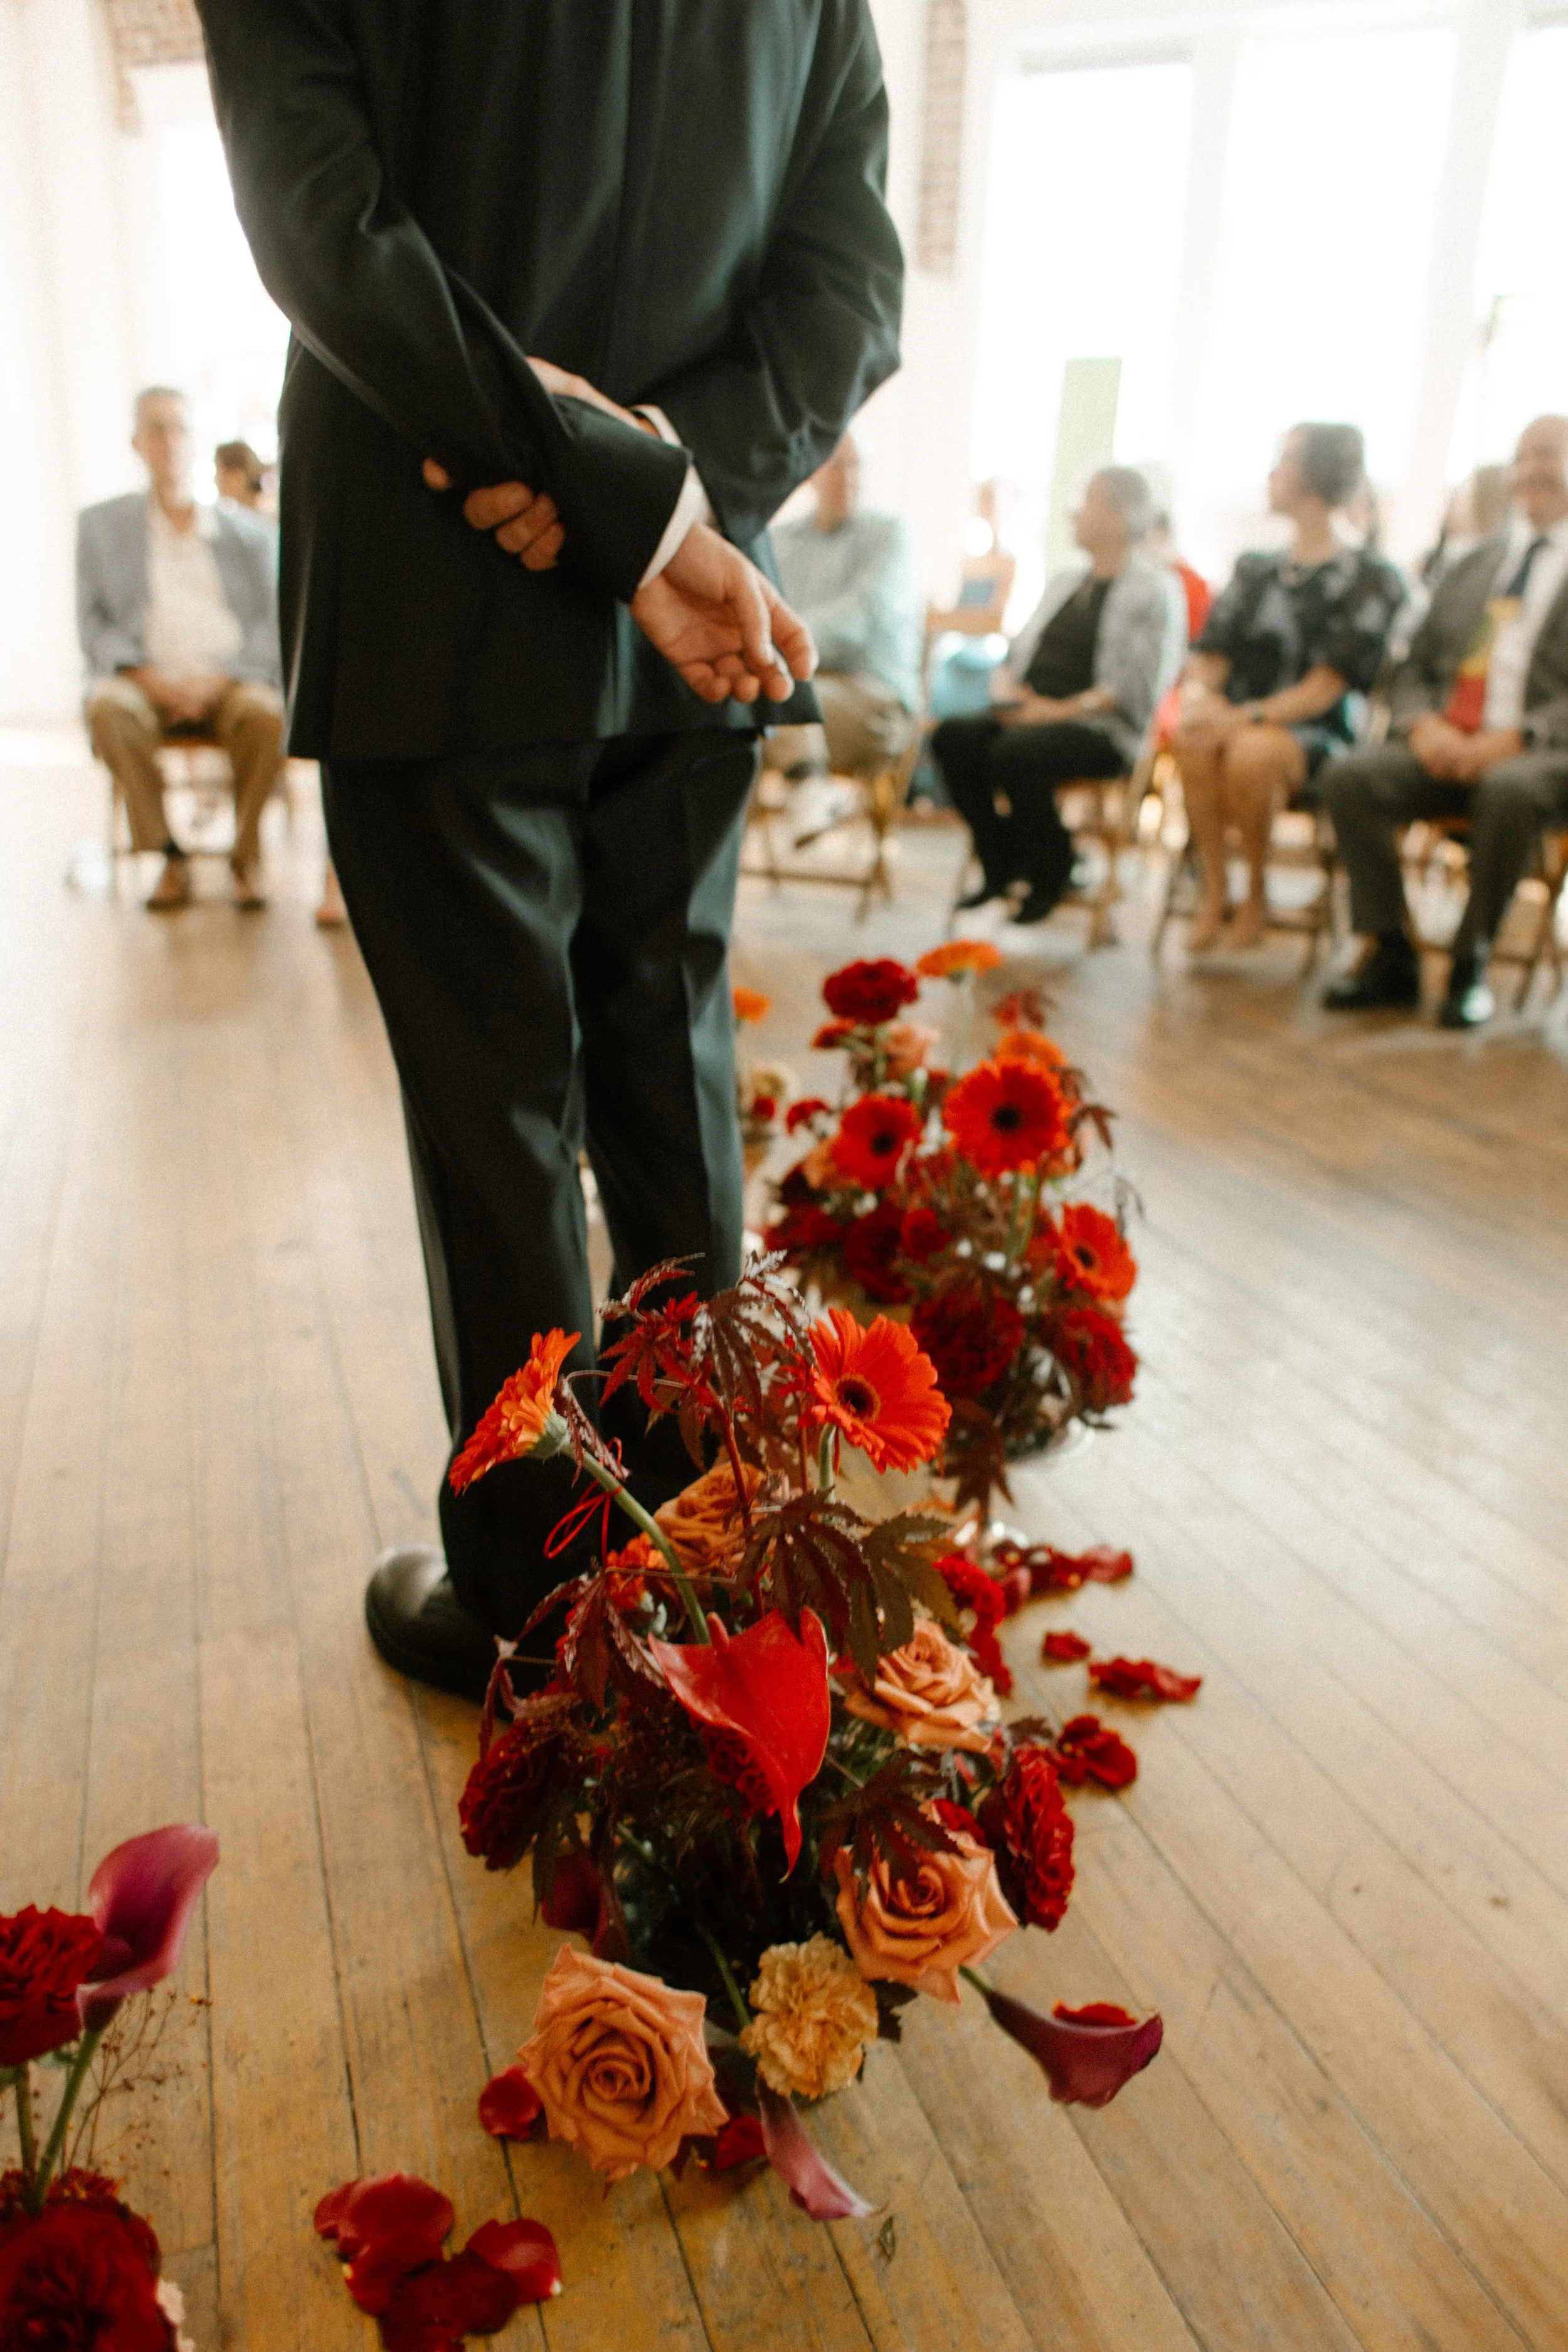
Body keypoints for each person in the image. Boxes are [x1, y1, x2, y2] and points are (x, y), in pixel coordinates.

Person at [196, 0, 901, 1698]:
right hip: (696, 616)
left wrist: (594, 482)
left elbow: (326, 227)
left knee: (498, 1113)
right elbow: (849, 286)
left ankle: (538, 1602)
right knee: (667, 1073)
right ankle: (717, 1553)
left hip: (436, 598)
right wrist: (676, 489)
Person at [1322, 413, 1568, 1029]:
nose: (1532, 468)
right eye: (1522, 455)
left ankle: (1470, 961)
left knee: (1507, 789)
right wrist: (1421, 725)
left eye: (1548, 453)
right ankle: (1391, 951)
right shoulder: (1473, 564)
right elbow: (1413, 667)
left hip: (1537, 752)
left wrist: (1516, 737)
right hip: (1447, 738)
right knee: (1349, 776)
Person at [1172, 423, 1407, 951]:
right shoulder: (1255, 569)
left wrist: (1239, 717)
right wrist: (1201, 702)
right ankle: (1216, 890)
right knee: (1193, 737)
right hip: (1234, 720)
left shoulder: (1372, 577)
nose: (1273, 472)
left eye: (1285, 459)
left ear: (1317, 474)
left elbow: (1326, 687)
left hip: (1313, 734)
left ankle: (1256, 892)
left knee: (1250, 753)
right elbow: (1213, 656)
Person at [930, 465, 1184, 924]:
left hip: (1100, 728)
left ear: (1121, 513)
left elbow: (1136, 689)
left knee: (1016, 755)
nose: (1074, 511)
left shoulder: (1156, 590)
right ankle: (1000, 859)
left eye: (1086, 500)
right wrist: (1007, 686)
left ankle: (1053, 868)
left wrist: (1057, 712)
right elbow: (1020, 647)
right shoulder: (1068, 578)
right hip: (1032, 715)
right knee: (954, 738)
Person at [78, 388, 285, 910]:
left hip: (230, 681)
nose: (169, 442)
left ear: (195, 441)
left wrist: (224, 679)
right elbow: (94, 626)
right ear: (136, 443)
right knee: (106, 708)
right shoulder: (101, 528)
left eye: (179, 429)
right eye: (156, 429)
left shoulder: (250, 535)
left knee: (269, 714)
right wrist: (149, 678)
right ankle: (168, 854)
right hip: (145, 683)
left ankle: (245, 855)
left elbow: (274, 623)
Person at [762, 434, 921, 787]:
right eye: (837, 465)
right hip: (797, 681)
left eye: (856, 465)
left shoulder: (890, 534)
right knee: (734, 705)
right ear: (809, 472)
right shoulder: (779, 540)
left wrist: (782, 641)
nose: (849, 476)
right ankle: (807, 805)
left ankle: (811, 805)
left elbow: (860, 620)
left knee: (779, 698)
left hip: (872, 697)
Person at [215, 439, 275, 516]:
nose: (216, 480)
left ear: (237, 477)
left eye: (218, 471)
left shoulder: (266, 516)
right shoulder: (246, 515)